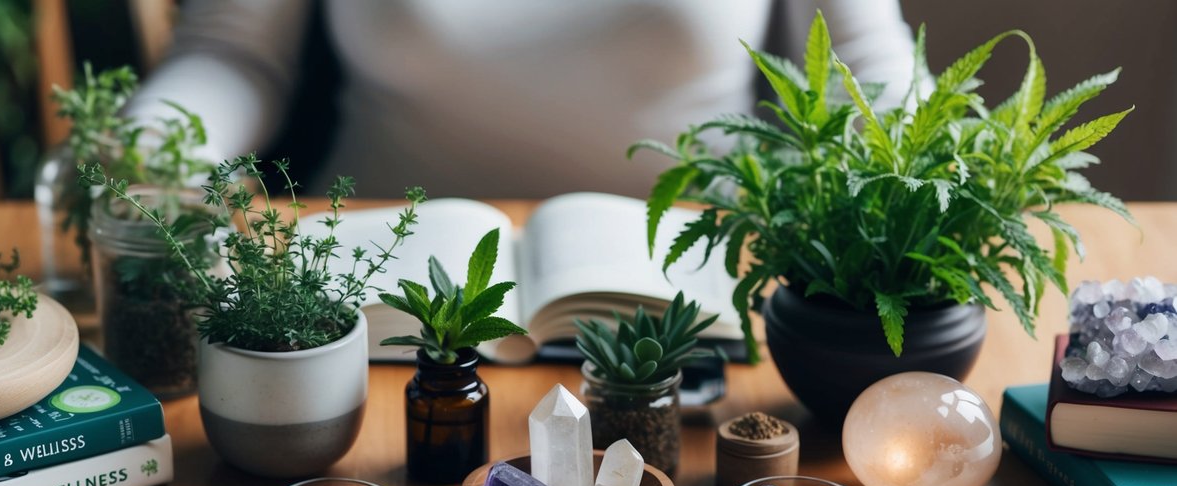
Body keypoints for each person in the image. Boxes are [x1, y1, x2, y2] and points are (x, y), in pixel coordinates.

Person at [127, 0, 919, 198]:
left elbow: (865, 68)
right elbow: (231, 50)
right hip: (362, 293)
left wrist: (932, 182)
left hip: (714, 295)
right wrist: (142, 152)